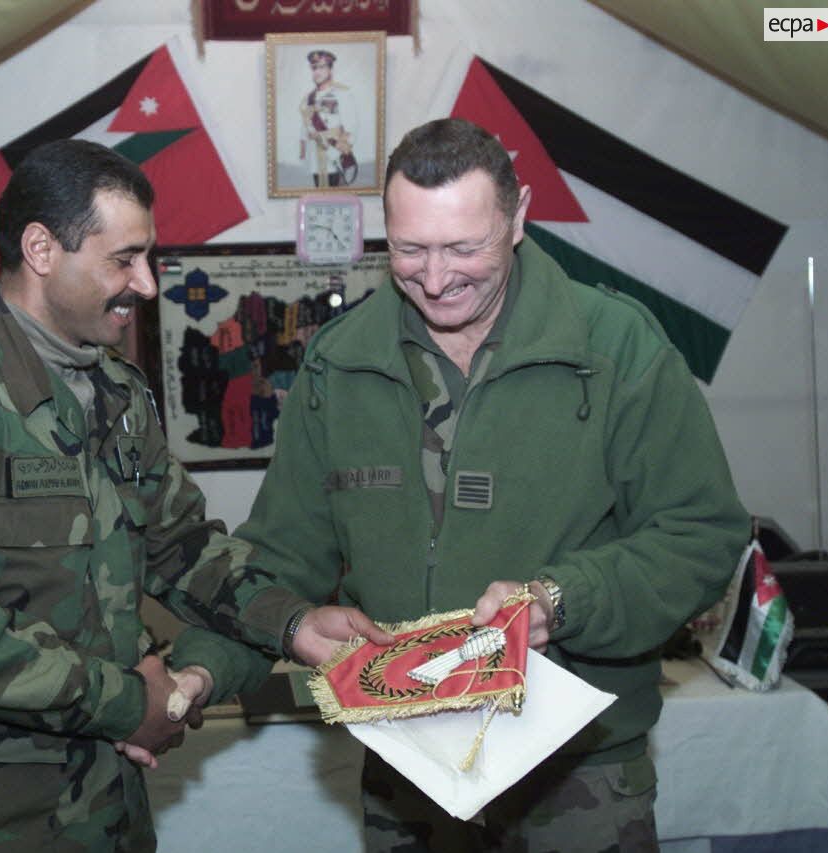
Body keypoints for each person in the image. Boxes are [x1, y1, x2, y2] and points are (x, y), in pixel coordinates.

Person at [0, 139, 389, 851]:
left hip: (106, 805)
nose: (148, 284)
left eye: (147, 257)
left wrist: (293, 623)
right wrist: (133, 703)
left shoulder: (119, 392)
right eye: (123, 259)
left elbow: (183, 548)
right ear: (41, 249)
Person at [231, 118, 749, 851]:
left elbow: (702, 533)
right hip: (407, 770)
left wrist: (565, 601)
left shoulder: (615, 348)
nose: (435, 280)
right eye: (409, 249)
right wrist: (267, 632)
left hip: (577, 777)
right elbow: (281, 552)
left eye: (463, 248)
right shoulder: (339, 363)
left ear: (519, 217)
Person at [299, 49, 359, 187]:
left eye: (322, 67)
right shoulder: (307, 99)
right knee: (319, 195)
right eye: (314, 68)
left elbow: (351, 126)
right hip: (315, 157)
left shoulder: (342, 94)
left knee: (336, 195)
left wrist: (341, 150)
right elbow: (305, 127)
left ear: (330, 69)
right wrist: (303, 152)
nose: (317, 72)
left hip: (334, 156)